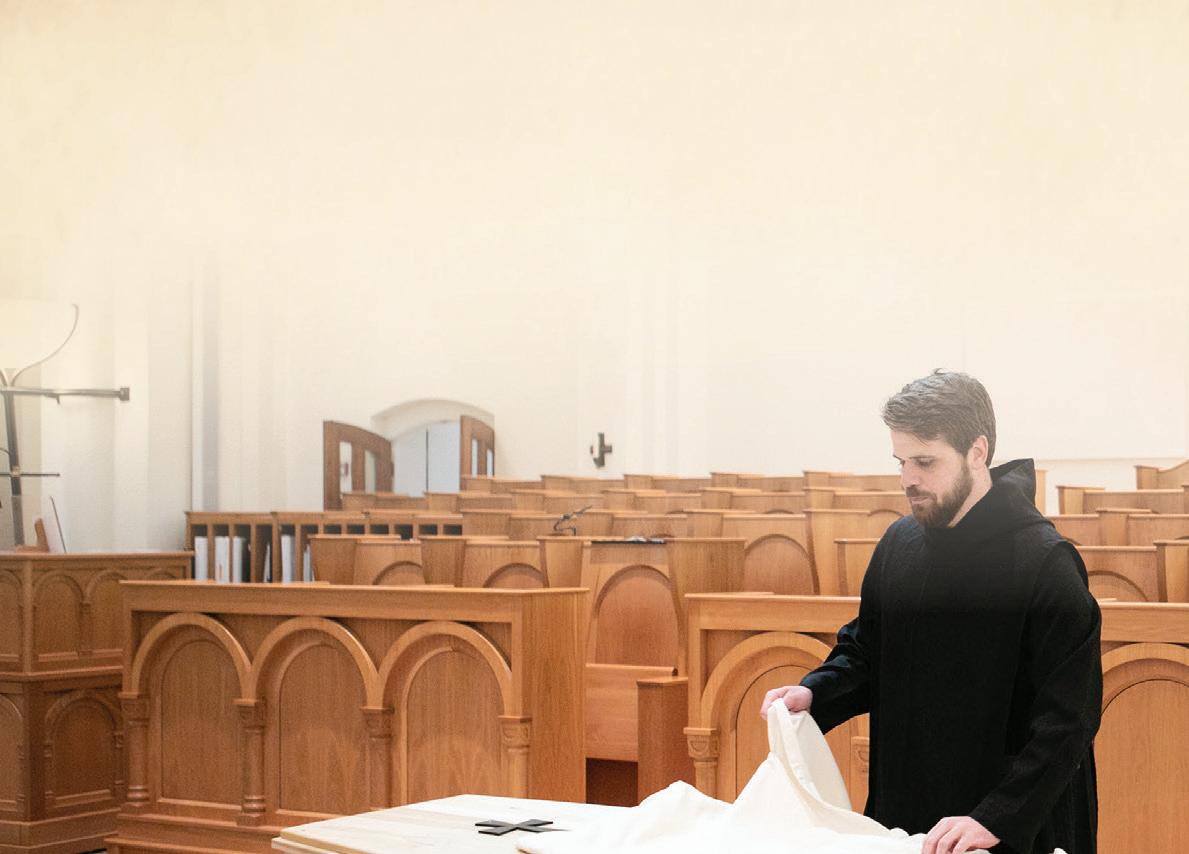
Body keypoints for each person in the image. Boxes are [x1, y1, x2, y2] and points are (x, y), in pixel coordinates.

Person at [760, 371, 1101, 854]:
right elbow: (867, 653)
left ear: (977, 452)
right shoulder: (899, 544)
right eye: (901, 462)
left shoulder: (1046, 563)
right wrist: (816, 692)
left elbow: (1069, 719)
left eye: (925, 462)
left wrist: (998, 817)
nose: (908, 479)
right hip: (908, 814)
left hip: (1007, 827)